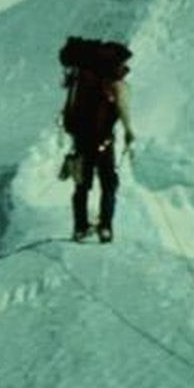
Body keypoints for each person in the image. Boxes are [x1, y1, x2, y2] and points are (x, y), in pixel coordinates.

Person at [58, 37, 135, 243]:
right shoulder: (113, 83)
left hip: (82, 140)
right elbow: (123, 108)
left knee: (82, 185)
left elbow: (68, 111)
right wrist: (129, 131)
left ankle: (80, 227)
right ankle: (105, 227)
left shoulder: (80, 79)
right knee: (109, 184)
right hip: (105, 141)